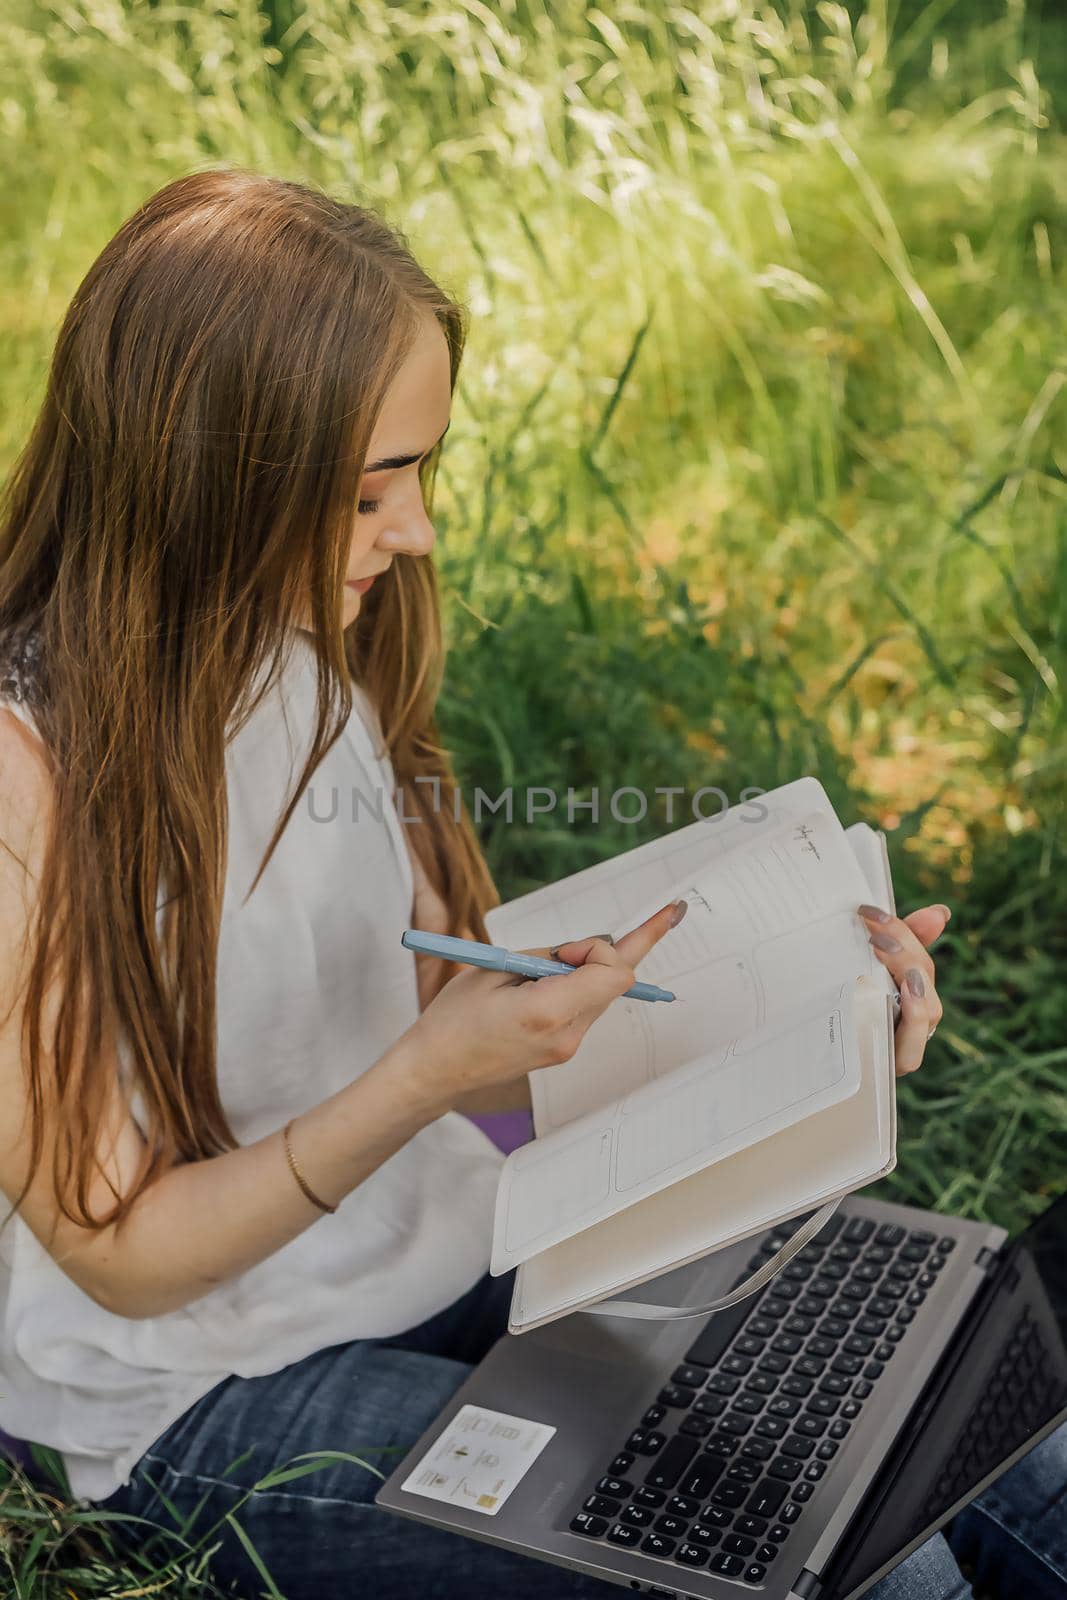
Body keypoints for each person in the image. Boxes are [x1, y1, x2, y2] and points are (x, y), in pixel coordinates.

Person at [0, 166, 1038, 1600]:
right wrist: (429, 1076)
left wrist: (794, 1017)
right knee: (850, 1572)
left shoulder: (308, 632)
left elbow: (446, 1023)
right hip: (187, 1383)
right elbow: (121, 1256)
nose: (416, 531)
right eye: (368, 492)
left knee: (975, 1417)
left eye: (419, 472)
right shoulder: (23, 773)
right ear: (203, 480)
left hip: (444, 1236)